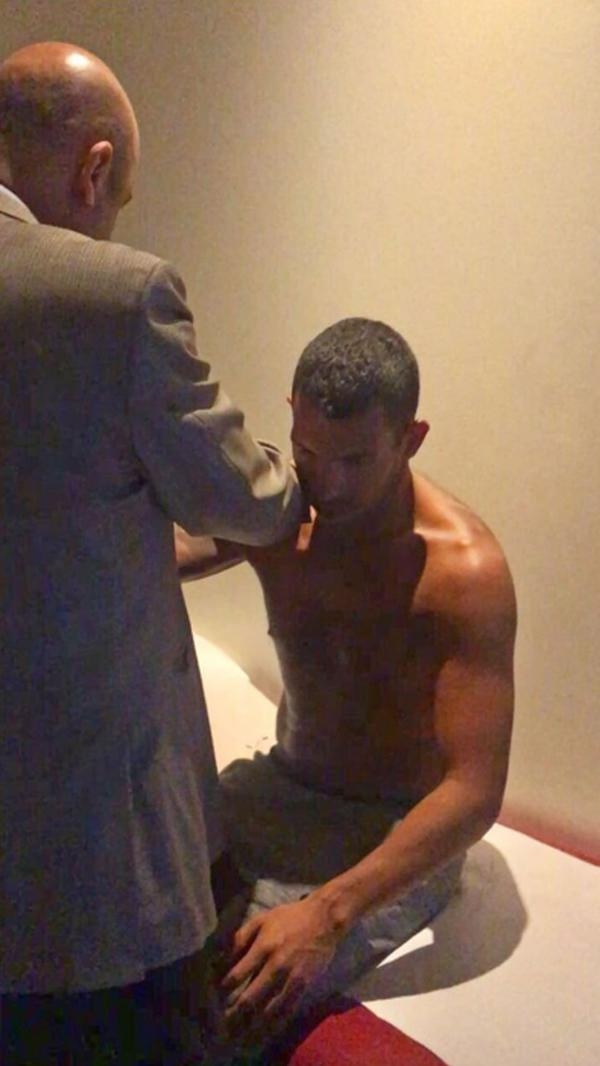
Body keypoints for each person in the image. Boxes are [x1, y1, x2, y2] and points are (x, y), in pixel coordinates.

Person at [0, 41, 301, 1065]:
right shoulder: (114, 297)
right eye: (117, 198)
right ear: (93, 171)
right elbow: (240, 495)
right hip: (85, 847)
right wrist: (300, 480)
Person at [177, 316, 517, 1051]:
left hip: (390, 832)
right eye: (308, 451)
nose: (325, 483)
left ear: (411, 438)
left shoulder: (462, 573)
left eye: (355, 460)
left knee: (220, 1003)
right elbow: (155, 552)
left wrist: (328, 914)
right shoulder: (278, 508)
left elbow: (474, 791)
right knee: (111, 915)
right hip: (276, 785)